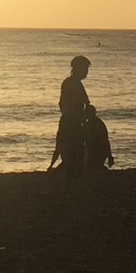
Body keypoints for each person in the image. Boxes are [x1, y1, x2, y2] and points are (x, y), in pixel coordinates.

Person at [53, 56, 91, 186]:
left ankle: (69, 181)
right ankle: (67, 182)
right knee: (73, 153)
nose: (86, 72)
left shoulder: (75, 83)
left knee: (75, 153)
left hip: (73, 121)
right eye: (85, 69)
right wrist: (75, 117)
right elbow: (68, 104)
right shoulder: (71, 83)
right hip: (71, 122)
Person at [84, 103, 114, 170]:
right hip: (97, 151)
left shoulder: (95, 124)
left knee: (92, 167)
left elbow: (105, 140)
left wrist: (110, 156)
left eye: (86, 112)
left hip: (99, 151)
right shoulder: (91, 123)